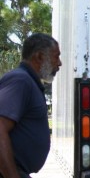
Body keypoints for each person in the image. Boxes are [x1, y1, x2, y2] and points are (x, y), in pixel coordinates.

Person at [0, 33, 62, 178]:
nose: (59, 63)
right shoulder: (20, 80)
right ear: (39, 57)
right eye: (56, 56)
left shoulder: (29, 82)